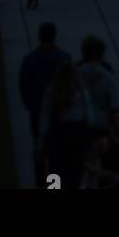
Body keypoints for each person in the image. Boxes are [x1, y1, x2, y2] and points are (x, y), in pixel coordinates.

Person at [37, 61, 96, 190]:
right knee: (77, 170)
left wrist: (42, 140)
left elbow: (44, 119)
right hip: (78, 134)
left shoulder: (51, 92)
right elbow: (90, 118)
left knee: (55, 170)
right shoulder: (81, 93)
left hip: (58, 135)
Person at [19, 24, 71, 140]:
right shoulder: (65, 58)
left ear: (39, 36)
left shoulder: (30, 59)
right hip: (60, 110)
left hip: (38, 109)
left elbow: (23, 85)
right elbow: (71, 85)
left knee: (39, 142)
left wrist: (30, 104)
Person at [77, 36, 119, 131]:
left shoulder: (74, 75)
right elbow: (114, 104)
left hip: (80, 125)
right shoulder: (109, 77)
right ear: (102, 54)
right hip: (103, 125)